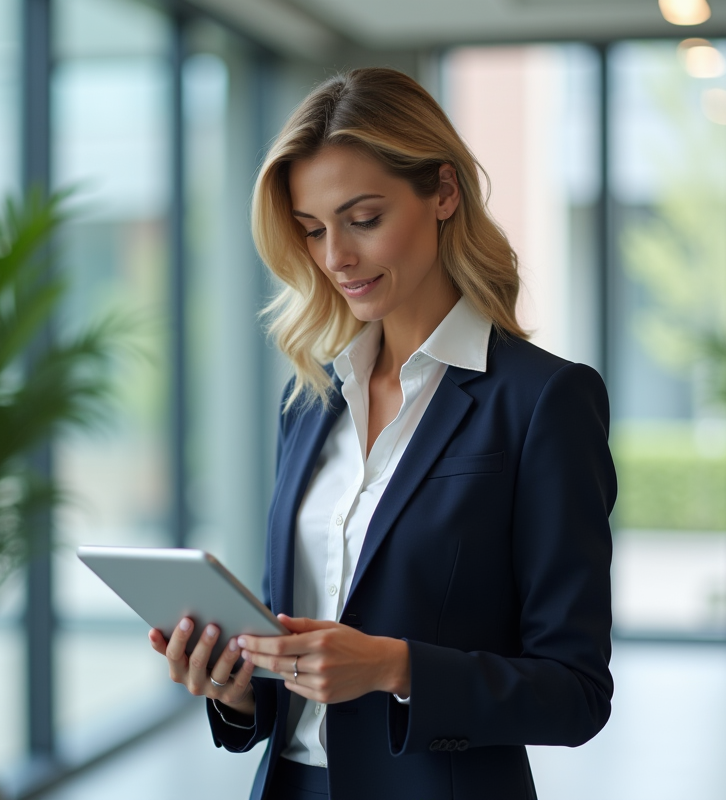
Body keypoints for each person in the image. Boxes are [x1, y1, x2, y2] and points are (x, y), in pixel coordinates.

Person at [148, 67, 615, 800]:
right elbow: (295, 657)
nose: (336, 257)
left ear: (443, 193)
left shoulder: (542, 401)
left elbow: (577, 693)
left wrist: (396, 667)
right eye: (311, 230)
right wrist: (235, 687)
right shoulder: (308, 403)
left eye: (362, 219)